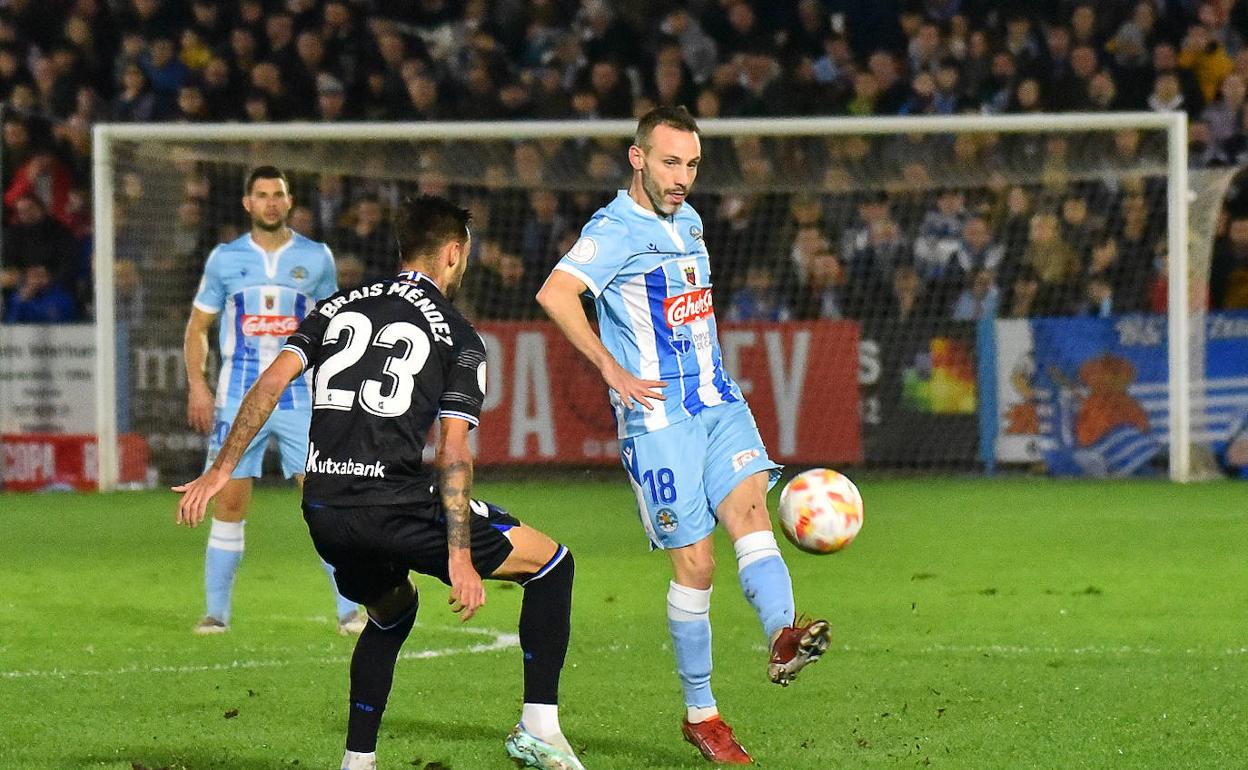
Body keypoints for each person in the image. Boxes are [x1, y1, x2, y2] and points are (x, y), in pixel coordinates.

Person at [174, 195, 586, 770]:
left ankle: (357, 761)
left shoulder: (336, 306)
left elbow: (270, 382)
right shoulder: (458, 335)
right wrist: (461, 555)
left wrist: (221, 467)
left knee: (392, 611)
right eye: (463, 254)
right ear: (451, 252)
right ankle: (539, 729)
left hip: (322, 508)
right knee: (551, 565)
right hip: (394, 506)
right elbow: (453, 450)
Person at [536, 106, 829, 766]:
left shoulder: (689, 220)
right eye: (671, 162)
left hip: (718, 402)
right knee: (696, 564)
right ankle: (702, 714)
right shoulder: (613, 228)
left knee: (753, 515)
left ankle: (783, 635)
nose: (683, 178)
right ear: (638, 158)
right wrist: (610, 368)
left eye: (692, 164)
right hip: (658, 421)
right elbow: (556, 294)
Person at [182, 165, 363, 636]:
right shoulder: (224, 259)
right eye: (261, 195)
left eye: (278, 194)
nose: (270, 202)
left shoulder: (316, 257)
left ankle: (349, 610)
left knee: (323, 500)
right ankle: (216, 613)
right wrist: (198, 384)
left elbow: (333, 325)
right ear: (247, 203)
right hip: (237, 398)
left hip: (300, 398)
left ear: (290, 202)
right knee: (230, 503)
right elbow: (198, 327)